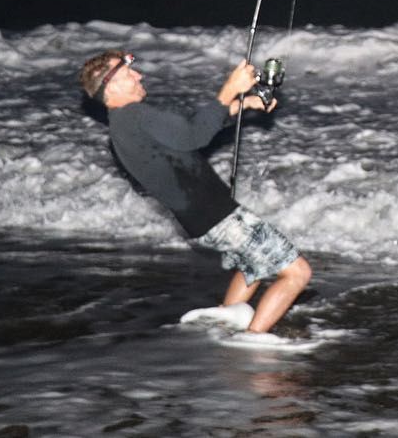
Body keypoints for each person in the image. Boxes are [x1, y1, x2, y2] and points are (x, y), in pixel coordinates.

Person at [78, 50, 312, 335]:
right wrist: (229, 89)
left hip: (201, 221)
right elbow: (193, 135)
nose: (139, 76)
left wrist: (244, 103)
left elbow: (188, 131)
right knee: (297, 273)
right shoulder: (134, 115)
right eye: (130, 73)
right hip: (218, 218)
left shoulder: (122, 126)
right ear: (111, 86)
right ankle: (252, 341)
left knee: (253, 264)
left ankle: (226, 320)